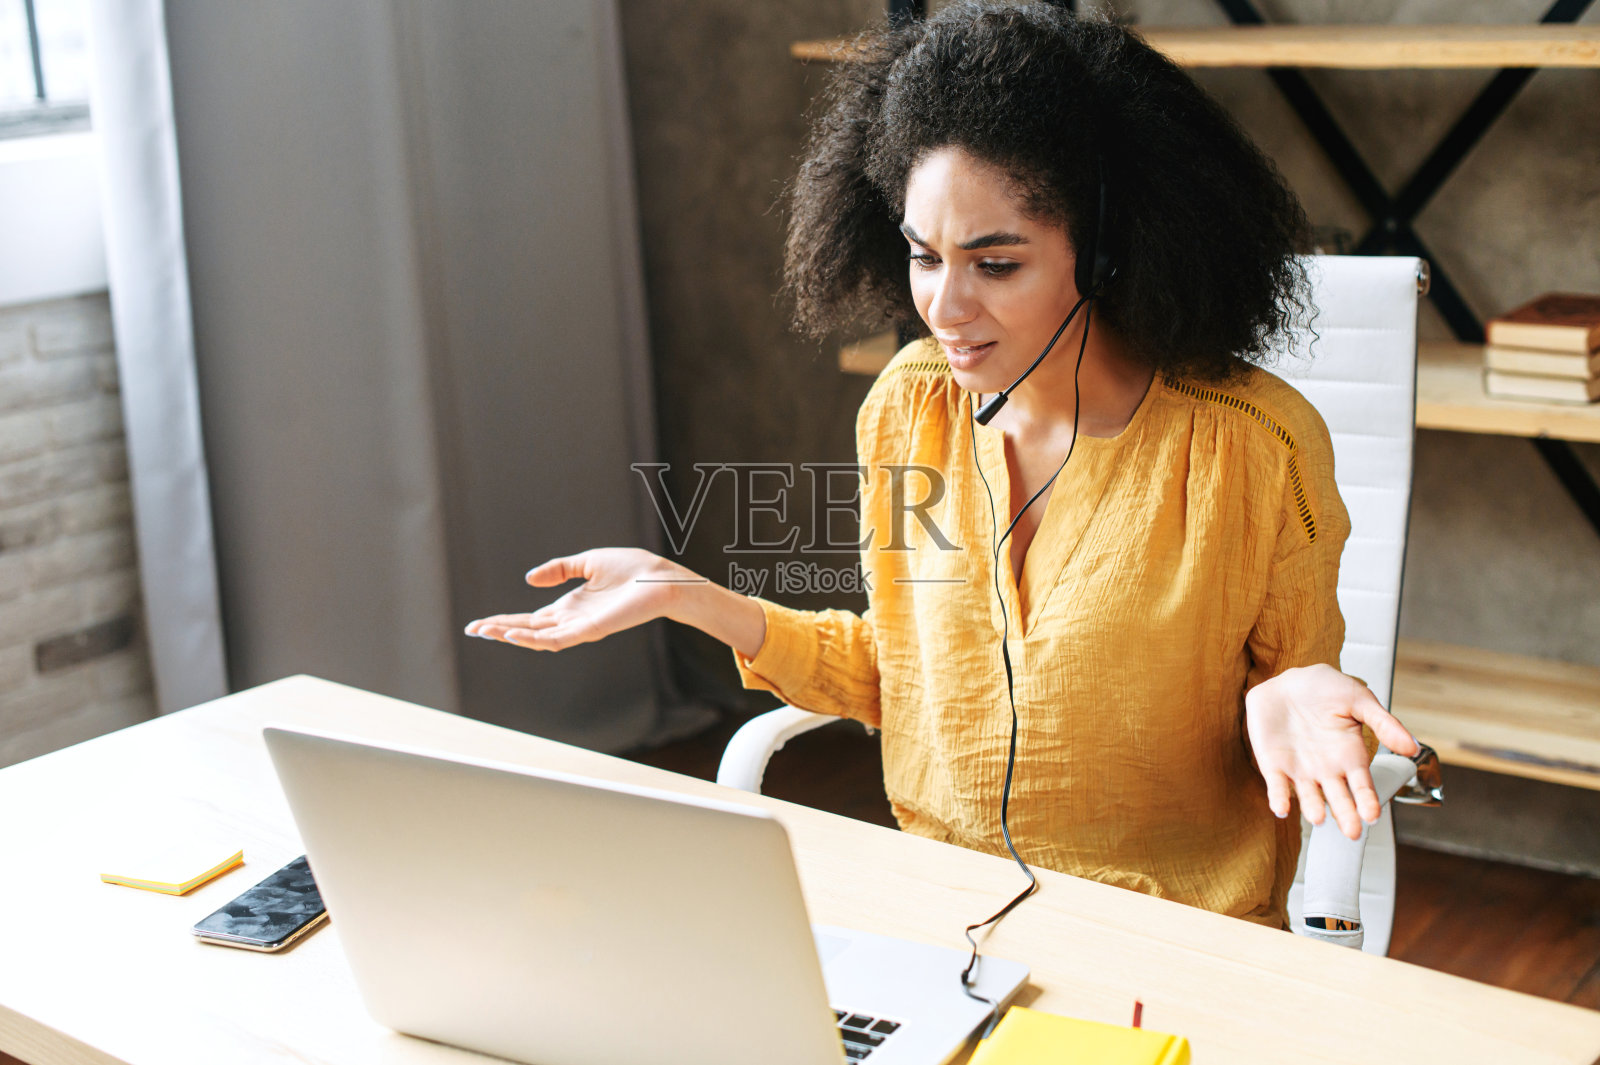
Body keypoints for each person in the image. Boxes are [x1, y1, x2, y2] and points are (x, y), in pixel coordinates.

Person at [465, 0, 1419, 930]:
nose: (944, 307)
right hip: (938, 916)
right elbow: (904, 673)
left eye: (995, 265)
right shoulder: (910, 404)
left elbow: (1302, 700)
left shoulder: (1249, 443)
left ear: (1109, 249)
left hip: (1167, 937)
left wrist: (1295, 687)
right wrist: (691, 595)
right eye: (924, 257)